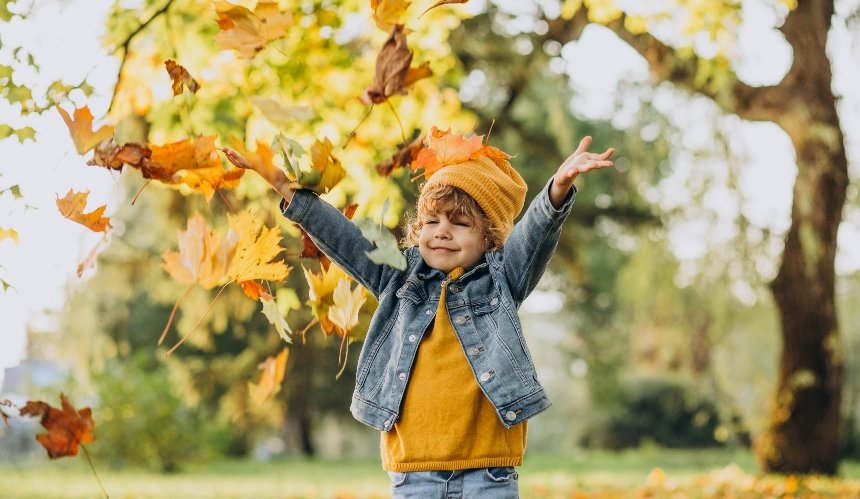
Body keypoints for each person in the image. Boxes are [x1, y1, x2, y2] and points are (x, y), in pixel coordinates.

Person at [223, 133, 614, 498]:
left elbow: (534, 235)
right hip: (414, 473)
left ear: (489, 238)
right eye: (431, 221)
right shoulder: (397, 277)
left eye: (460, 223)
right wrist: (278, 180)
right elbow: (343, 237)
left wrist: (558, 188)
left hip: (488, 472)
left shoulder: (501, 280)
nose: (442, 231)